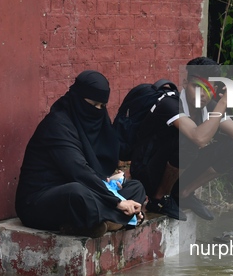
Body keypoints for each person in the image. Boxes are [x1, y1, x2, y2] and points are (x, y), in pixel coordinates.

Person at [15, 70, 146, 238]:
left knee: (135, 188)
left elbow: (92, 170)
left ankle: (103, 222)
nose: (98, 111)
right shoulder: (57, 125)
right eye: (93, 105)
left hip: (85, 189)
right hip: (40, 202)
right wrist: (118, 202)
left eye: (102, 106)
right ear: (78, 99)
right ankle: (122, 220)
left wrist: (105, 179)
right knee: (77, 193)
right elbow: (77, 171)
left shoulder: (95, 124)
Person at [130, 57, 233, 221]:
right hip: (147, 170)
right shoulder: (170, 103)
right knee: (189, 141)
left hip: (176, 169)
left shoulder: (209, 107)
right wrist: (223, 102)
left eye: (207, 89)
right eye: (196, 86)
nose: (202, 94)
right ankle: (160, 199)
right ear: (186, 83)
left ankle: (184, 193)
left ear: (214, 89)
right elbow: (199, 138)